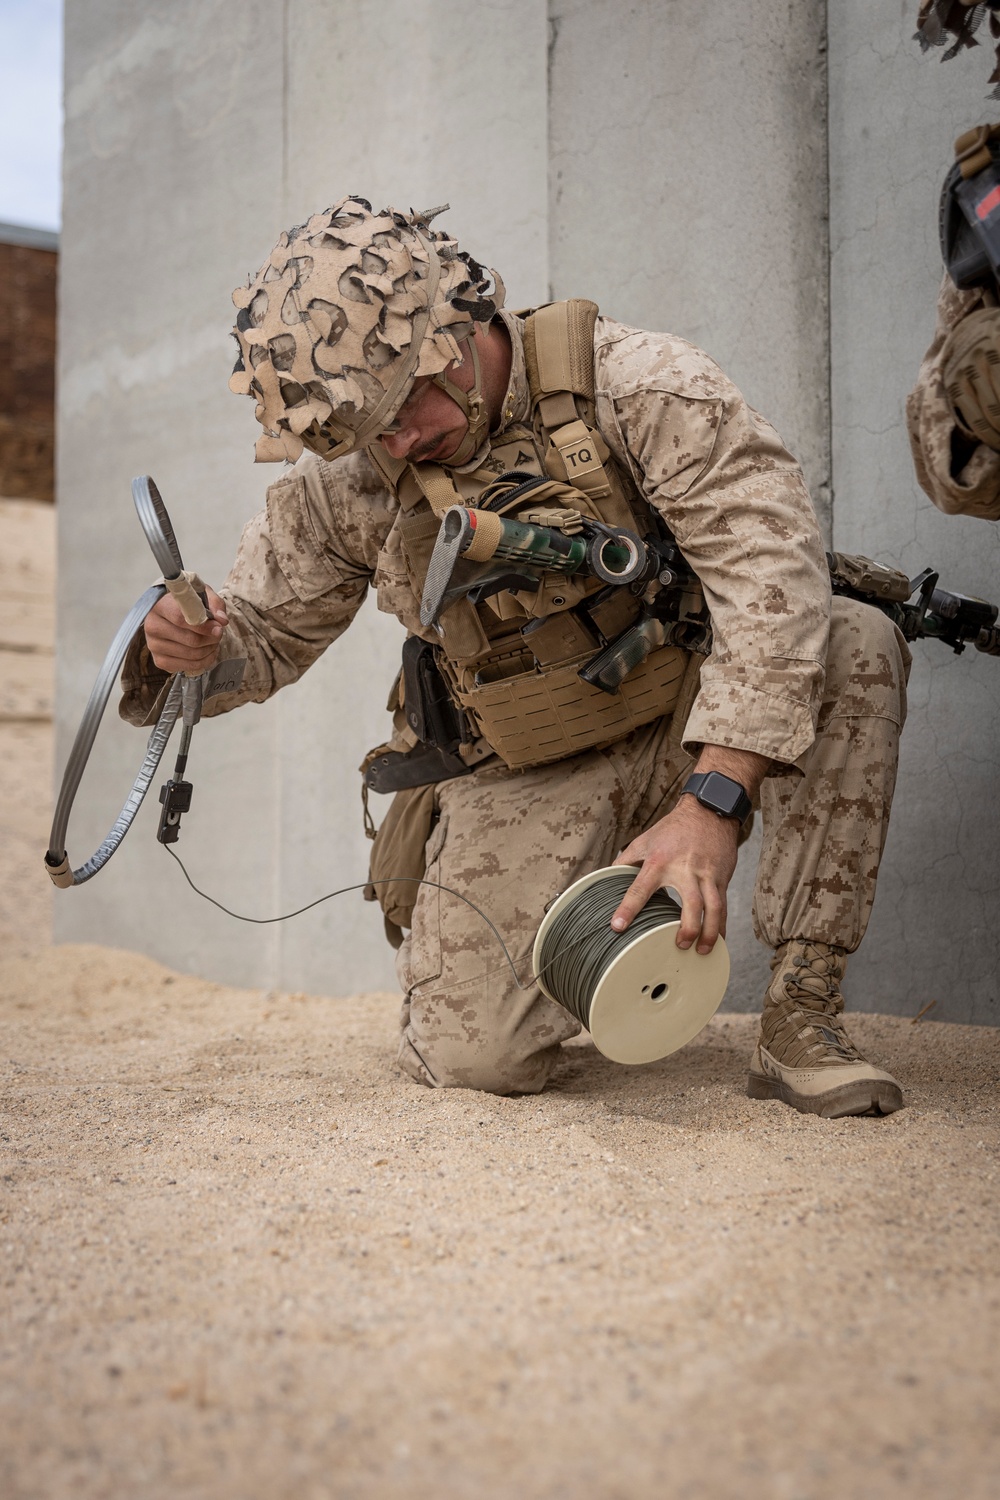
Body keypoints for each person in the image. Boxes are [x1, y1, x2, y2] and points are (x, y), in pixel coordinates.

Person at [121, 197, 909, 1115]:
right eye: (368, 429)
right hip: (527, 763)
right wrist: (184, 645)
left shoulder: (640, 386)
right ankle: (599, 943)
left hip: (692, 722)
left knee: (854, 640)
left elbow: (772, 583)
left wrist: (717, 797)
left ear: (452, 331)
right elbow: (260, 640)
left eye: (405, 406)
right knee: (473, 1059)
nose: (398, 442)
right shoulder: (354, 478)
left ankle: (801, 1016)